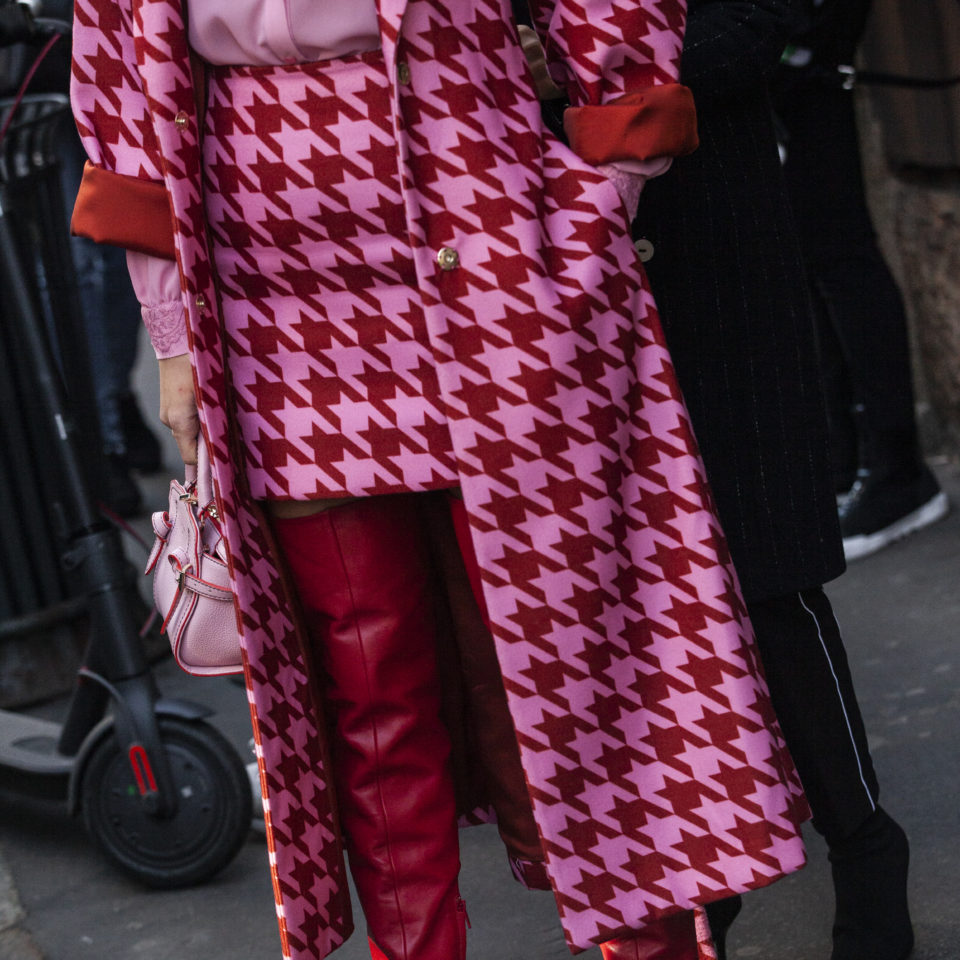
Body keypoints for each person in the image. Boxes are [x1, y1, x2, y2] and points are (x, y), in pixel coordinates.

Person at [69, 1, 810, 958]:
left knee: (572, 648)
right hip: (269, 305)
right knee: (370, 694)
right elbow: (119, 71)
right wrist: (172, 330)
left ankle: (653, 946)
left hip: (494, 248)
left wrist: (606, 193)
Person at [635, 1, 913, 958]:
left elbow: (772, 17)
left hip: (721, 230)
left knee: (769, 577)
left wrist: (597, 65)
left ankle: (864, 844)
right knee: (644, 595)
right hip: (569, 249)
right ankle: (704, 869)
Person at [773, 0, 948, 562]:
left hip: (802, 54)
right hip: (775, 62)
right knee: (808, 260)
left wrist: (797, 42)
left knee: (841, 256)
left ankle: (896, 472)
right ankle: (845, 466)